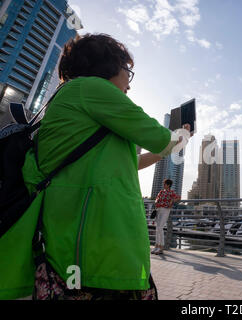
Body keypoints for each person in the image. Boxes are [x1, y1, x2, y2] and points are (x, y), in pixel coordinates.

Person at [0, 33, 191, 300]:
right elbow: (160, 136)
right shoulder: (89, 89)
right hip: (97, 255)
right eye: (128, 72)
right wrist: (181, 136)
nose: (129, 84)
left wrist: (162, 153)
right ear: (107, 65)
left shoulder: (74, 103)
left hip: (77, 252)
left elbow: (130, 162)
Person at [152, 179, 181, 255]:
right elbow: (156, 200)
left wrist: (172, 201)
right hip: (158, 210)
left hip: (166, 210)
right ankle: (156, 246)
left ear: (168, 185)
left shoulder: (171, 192)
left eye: (164, 184)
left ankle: (161, 247)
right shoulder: (161, 192)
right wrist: (156, 202)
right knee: (157, 228)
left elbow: (178, 197)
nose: (163, 185)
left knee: (160, 227)